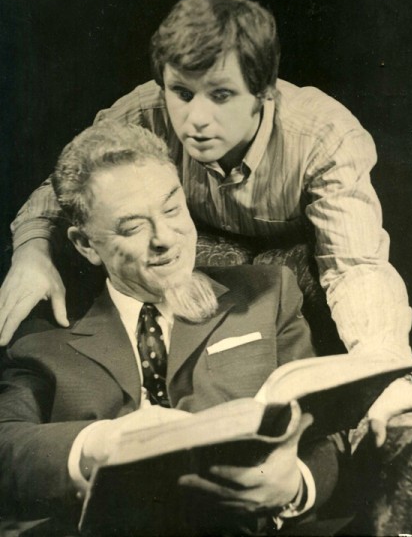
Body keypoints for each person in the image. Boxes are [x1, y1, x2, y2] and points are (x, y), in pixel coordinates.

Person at [1, 0, 412, 439]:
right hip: (197, 253)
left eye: (221, 95)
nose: (197, 120)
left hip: (301, 267)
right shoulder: (144, 111)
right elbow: (69, 185)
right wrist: (31, 253)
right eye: (182, 94)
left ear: (264, 92)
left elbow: (354, 264)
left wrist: (384, 373)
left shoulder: (325, 135)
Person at [0, 121, 349, 536]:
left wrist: (294, 485)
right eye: (133, 227)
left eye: (171, 209)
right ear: (86, 245)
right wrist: (98, 443)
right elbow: (6, 442)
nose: (165, 238)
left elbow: (321, 429)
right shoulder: (45, 334)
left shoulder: (267, 293)